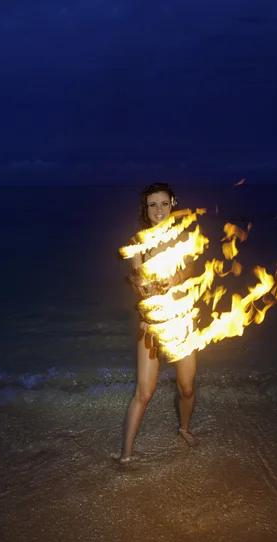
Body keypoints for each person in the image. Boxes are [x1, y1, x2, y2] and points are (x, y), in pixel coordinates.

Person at [118, 182, 197, 464]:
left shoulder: (182, 237)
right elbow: (138, 278)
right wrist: (145, 286)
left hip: (182, 321)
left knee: (187, 388)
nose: (159, 210)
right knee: (145, 391)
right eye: (153, 205)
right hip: (150, 322)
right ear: (146, 209)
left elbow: (190, 267)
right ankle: (126, 453)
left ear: (172, 204)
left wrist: (175, 278)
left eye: (164, 203)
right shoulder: (137, 243)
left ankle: (184, 428)